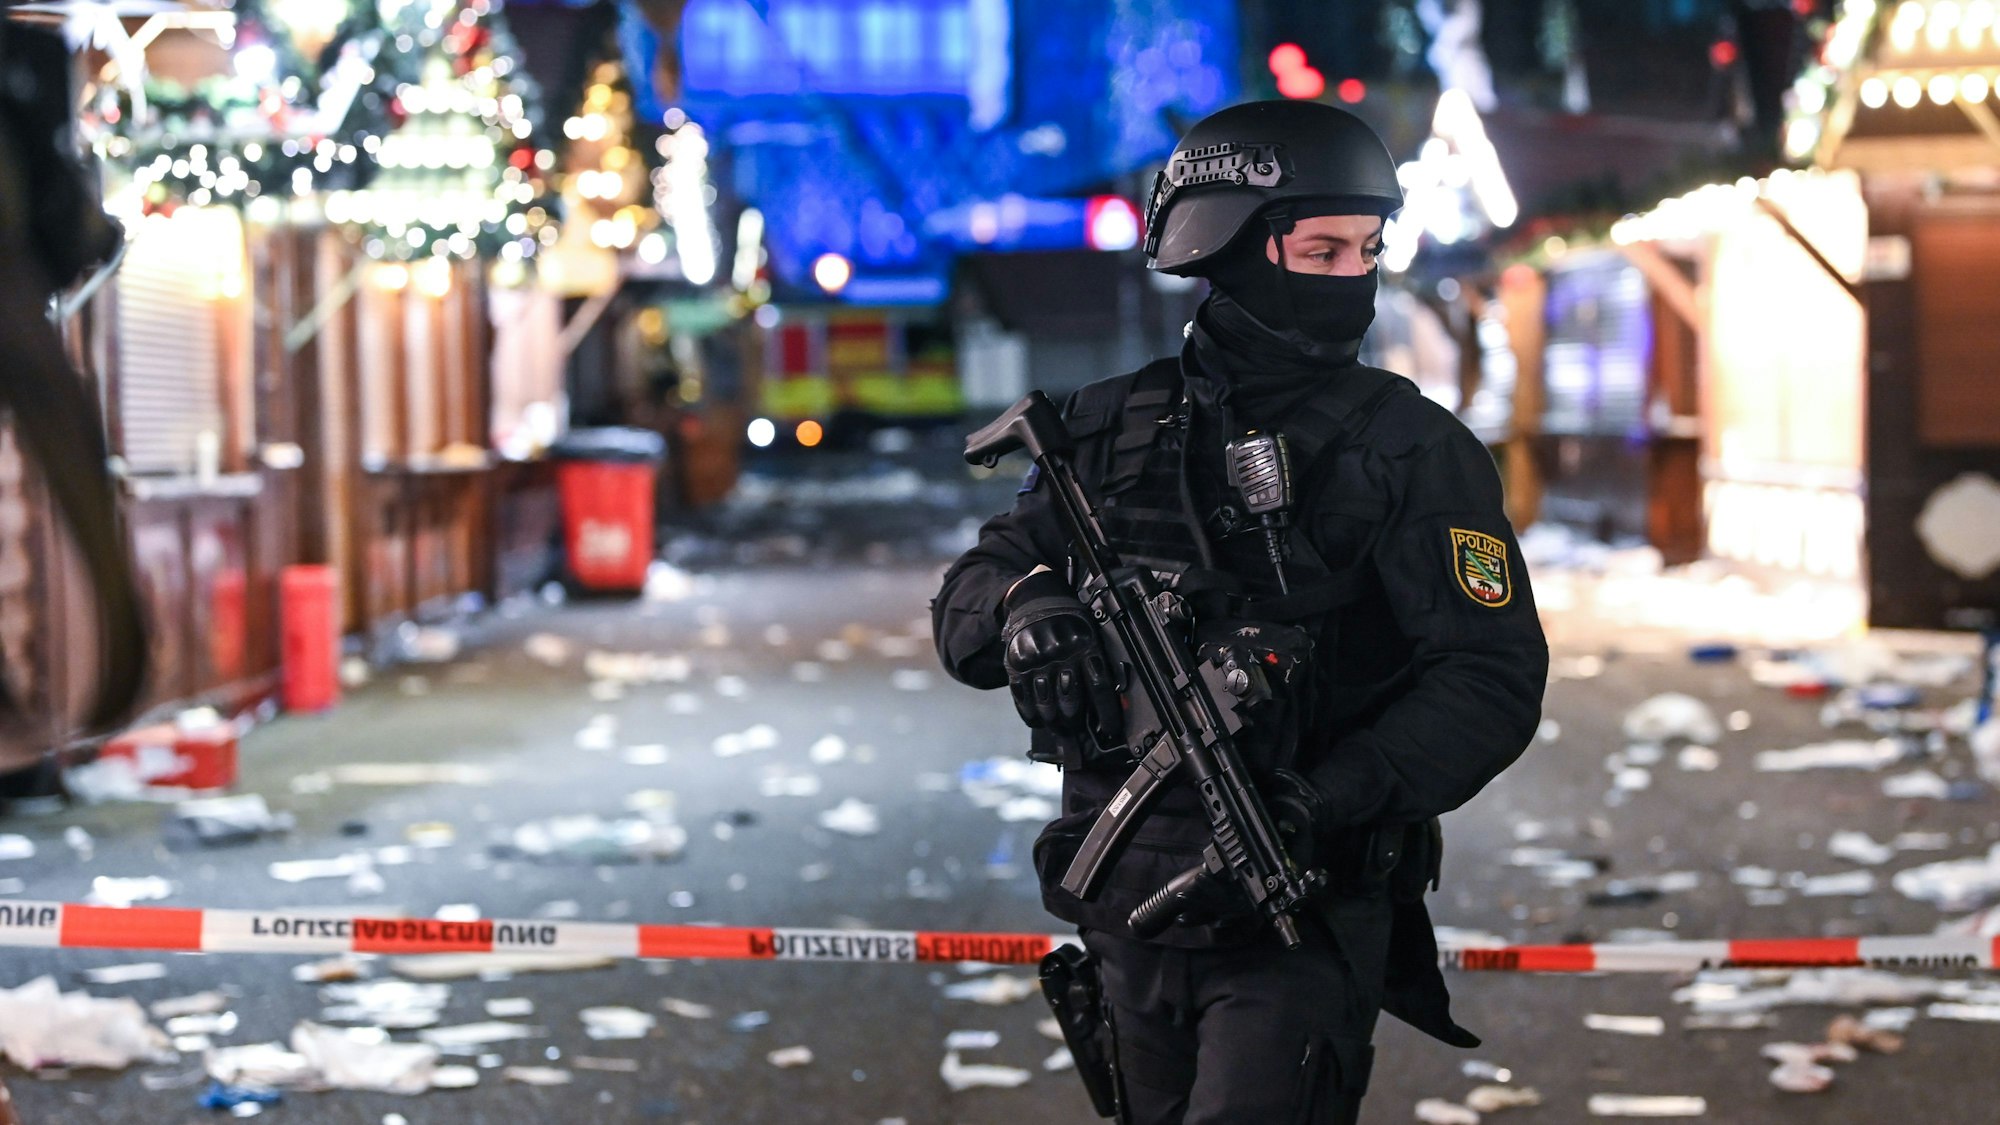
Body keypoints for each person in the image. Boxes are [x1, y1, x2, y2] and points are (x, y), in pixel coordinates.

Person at [931, 99, 1548, 1124]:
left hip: (1296, 909)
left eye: (1366, 249)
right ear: (1230, 247)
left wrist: (1321, 802)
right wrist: (1028, 608)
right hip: (1125, 902)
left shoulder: (1406, 449)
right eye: (1321, 249)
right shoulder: (1100, 429)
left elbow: (1486, 680)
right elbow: (967, 602)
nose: (1353, 276)